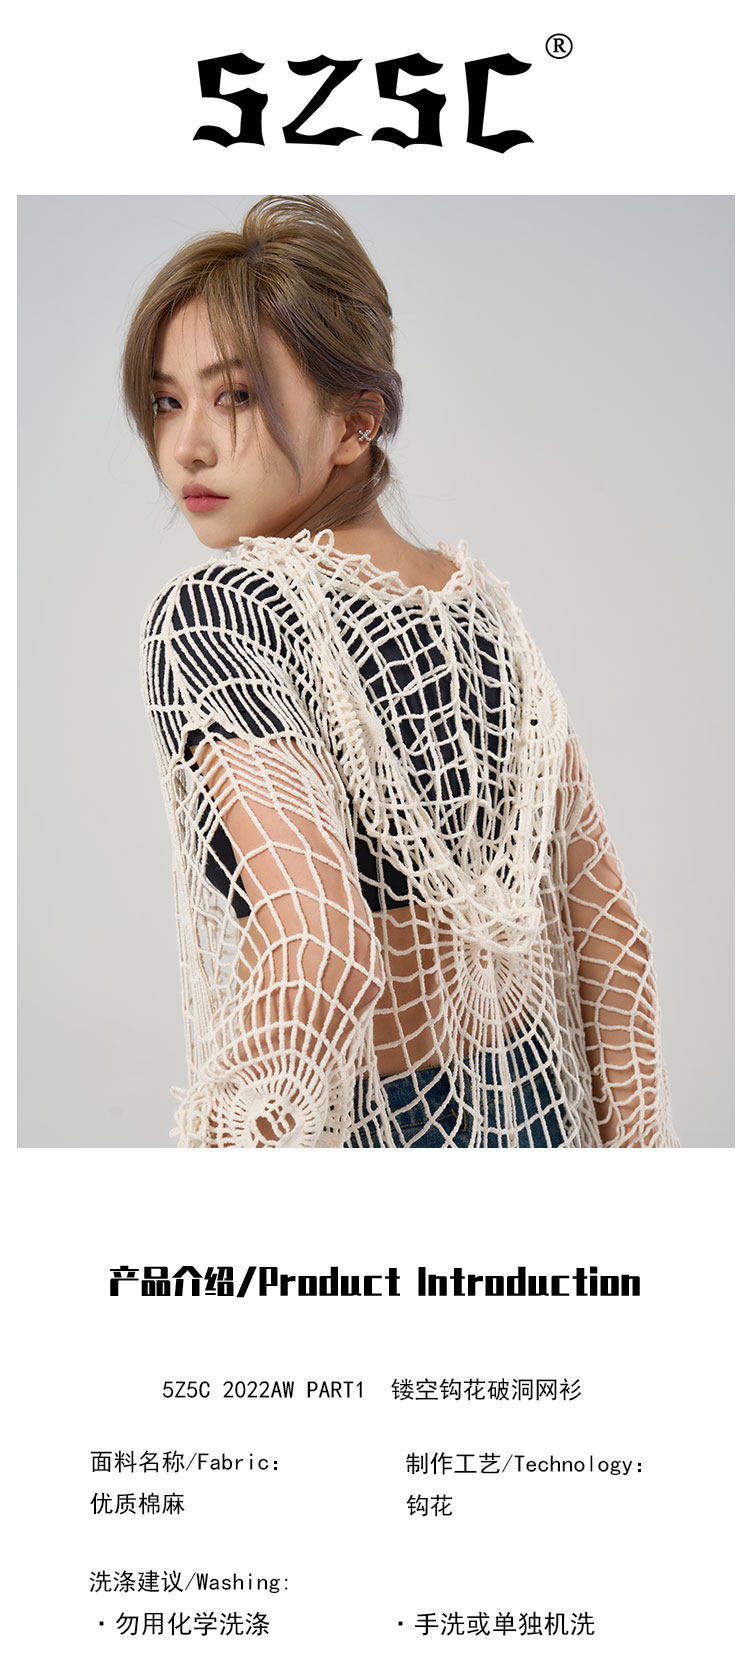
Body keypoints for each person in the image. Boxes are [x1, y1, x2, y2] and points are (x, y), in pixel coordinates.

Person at [123, 195, 678, 1149]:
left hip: (374, 1123)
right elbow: (614, 943)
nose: (187, 446)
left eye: (237, 396)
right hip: (542, 1106)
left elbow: (319, 944)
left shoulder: (221, 612)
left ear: (355, 423)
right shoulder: (487, 611)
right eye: (168, 400)